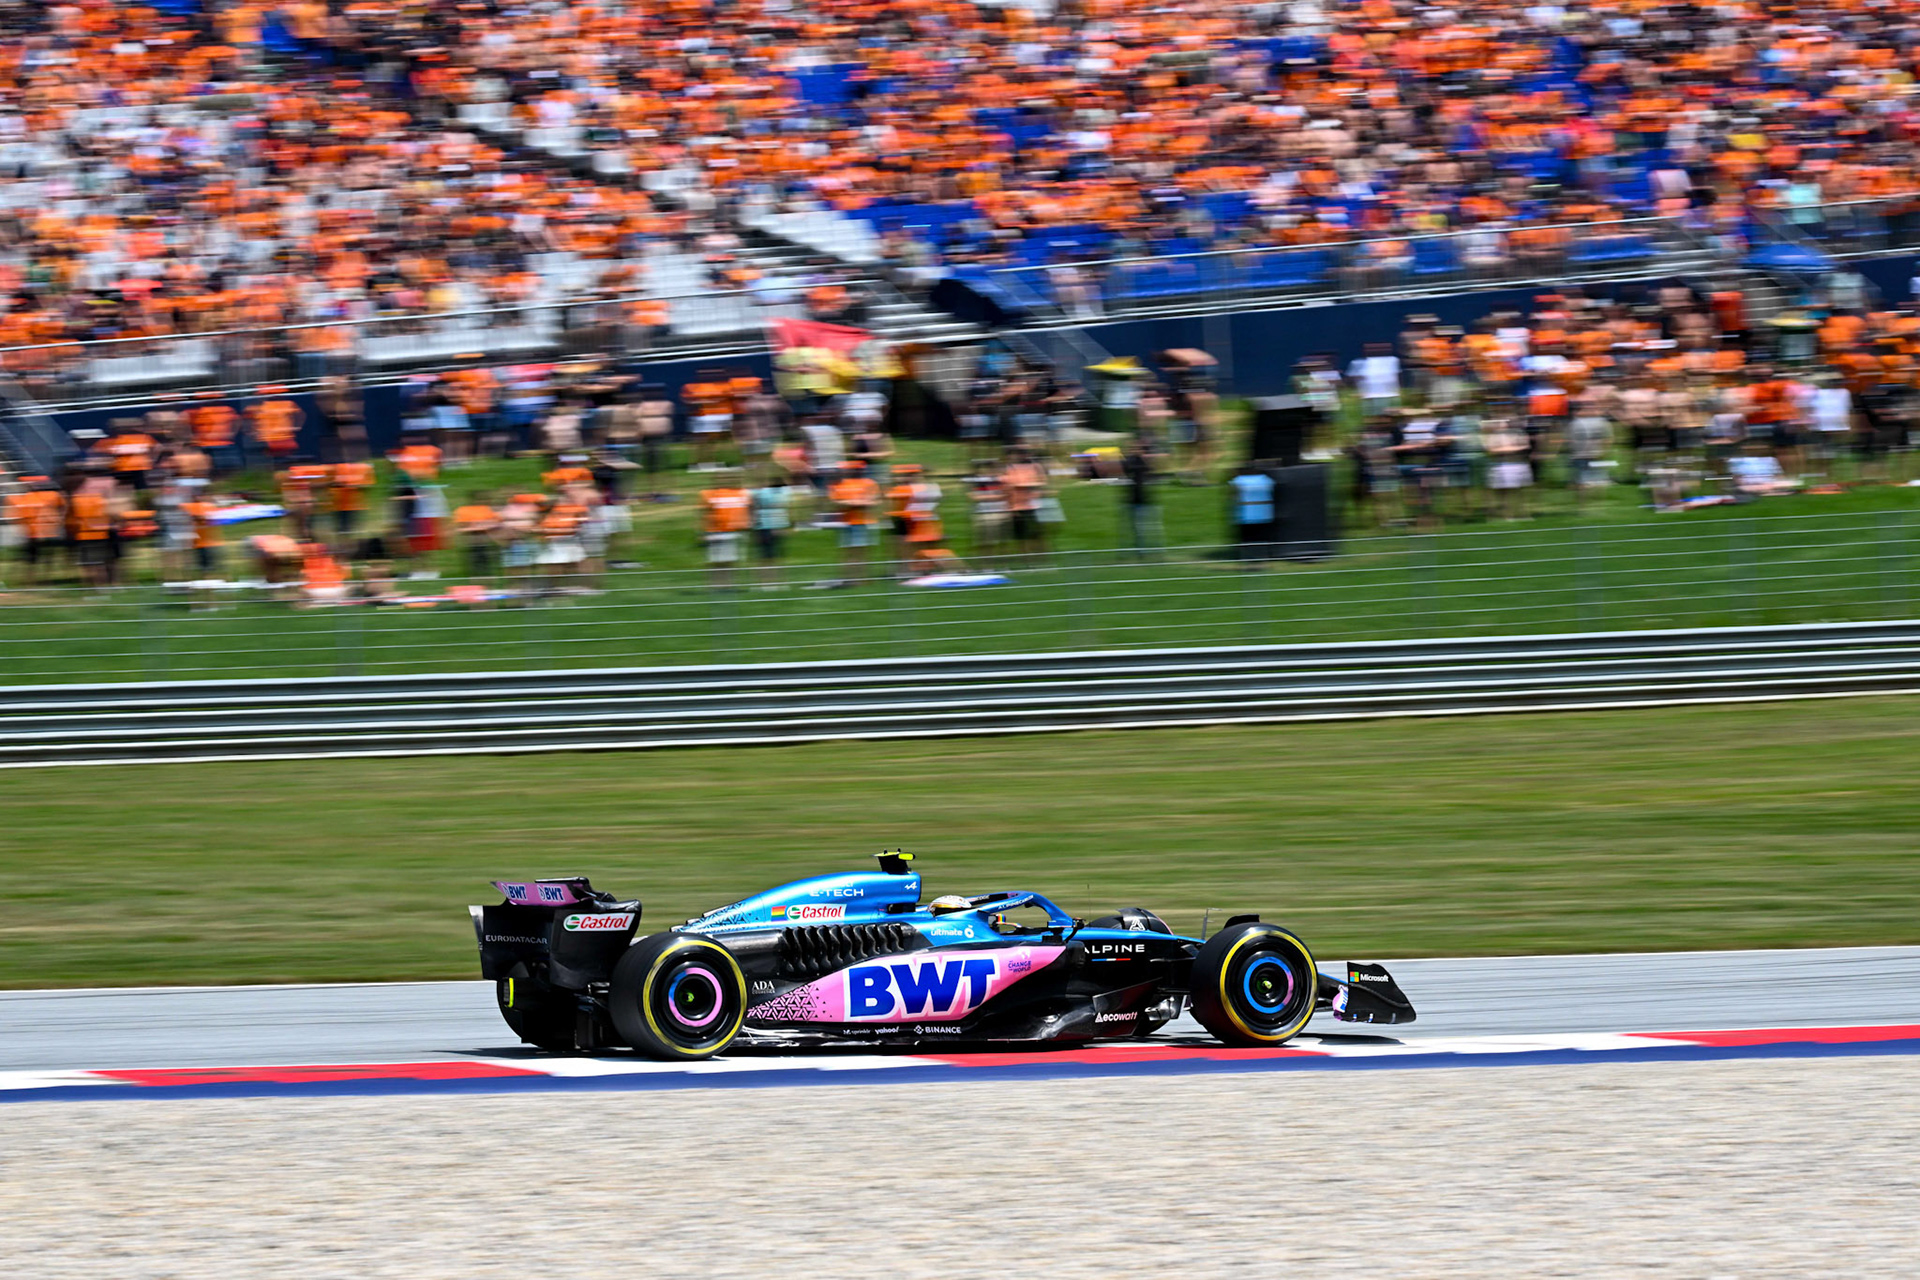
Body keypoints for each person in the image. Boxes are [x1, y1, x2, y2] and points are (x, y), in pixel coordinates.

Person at [827, 461, 880, 585]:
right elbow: (834, 502)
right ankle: (849, 577)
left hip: (864, 521)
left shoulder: (869, 483)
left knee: (862, 551)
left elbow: (874, 501)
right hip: (847, 522)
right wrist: (854, 503)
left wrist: (852, 503)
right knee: (848, 551)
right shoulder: (839, 484)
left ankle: (861, 577)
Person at [699, 470, 752, 589]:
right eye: (719, 478)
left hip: (730, 531)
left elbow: (744, 509)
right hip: (713, 532)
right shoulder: (708, 494)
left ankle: (727, 584)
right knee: (716, 561)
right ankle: (716, 584)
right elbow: (704, 513)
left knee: (729, 561)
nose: (722, 481)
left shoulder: (735, 493)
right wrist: (702, 530)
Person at [1120, 436, 1163, 556]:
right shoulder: (1129, 462)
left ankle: (1155, 550)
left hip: (1145, 499)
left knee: (1150, 527)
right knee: (1137, 528)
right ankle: (1140, 551)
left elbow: (1151, 473)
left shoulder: (1142, 461)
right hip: (1133, 500)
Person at [750, 472, 794, 586]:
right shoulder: (762, 493)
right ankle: (768, 581)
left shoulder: (781, 492)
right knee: (767, 556)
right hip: (765, 526)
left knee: (773, 555)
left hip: (774, 526)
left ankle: (777, 581)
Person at [1228, 463, 1276, 565]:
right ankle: (1262, 557)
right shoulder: (1265, 479)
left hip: (1246, 515)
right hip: (1264, 514)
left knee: (1247, 538)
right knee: (1261, 537)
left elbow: (1234, 495)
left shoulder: (1239, 480)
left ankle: (1247, 558)